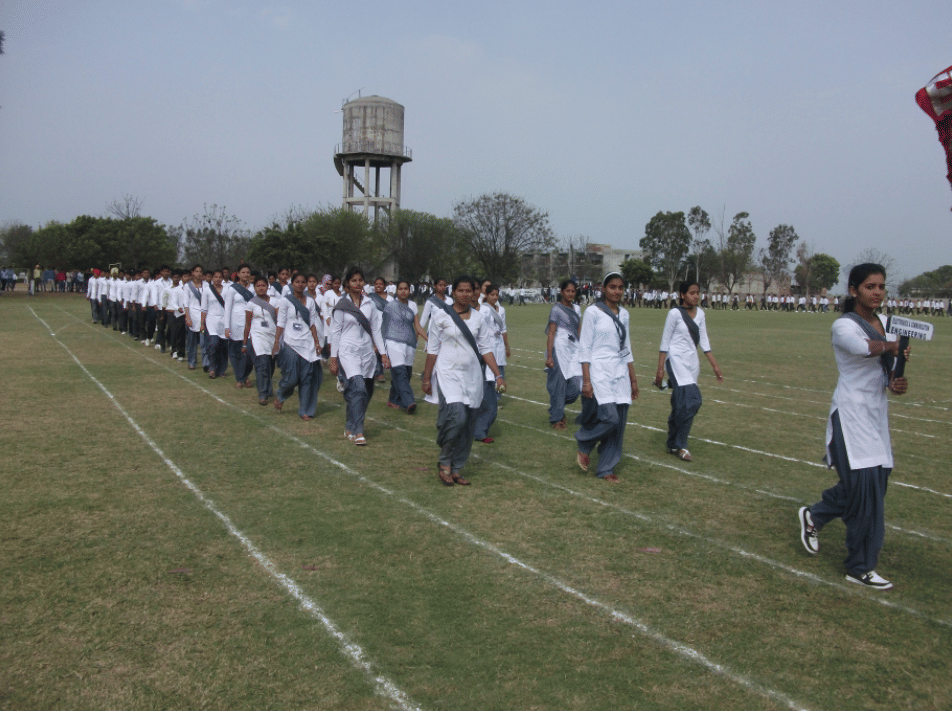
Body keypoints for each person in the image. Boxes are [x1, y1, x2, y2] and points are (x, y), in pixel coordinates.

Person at [798, 263, 910, 591]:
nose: (877, 292)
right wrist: (893, 345)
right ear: (853, 291)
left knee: (874, 486)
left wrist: (897, 382)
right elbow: (864, 348)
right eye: (869, 287)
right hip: (850, 415)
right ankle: (859, 566)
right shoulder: (843, 326)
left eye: (881, 287)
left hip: (876, 416)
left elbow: (889, 371)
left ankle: (815, 516)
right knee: (865, 489)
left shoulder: (888, 324)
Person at [422, 276, 505, 486]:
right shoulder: (441, 316)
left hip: (472, 375)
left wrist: (498, 374)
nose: (465, 294)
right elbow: (432, 350)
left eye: (469, 291)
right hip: (447, 372)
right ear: (453, 292)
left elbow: (486, 348)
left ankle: (456, 467)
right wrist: (426, 377)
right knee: (457, 416)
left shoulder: (478, 318)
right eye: (461, 290)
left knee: (468, 423)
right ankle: (444, 460)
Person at [575, 272, 639, 483]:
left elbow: (626, 348)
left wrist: (633, 378)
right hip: (599, 370)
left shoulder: (625, 314)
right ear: (603, 288)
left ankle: (605, 469)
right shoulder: (593, 312)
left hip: (620, 371)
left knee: (619, 423)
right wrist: (586, 380)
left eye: (620, 287)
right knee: (610, 417)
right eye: (612, 287)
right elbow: (584, 348)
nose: (617, 291)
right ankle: (584, 442)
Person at [653, 280, 723, 462]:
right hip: (675, 362)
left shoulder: (700, 314)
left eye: (697, 292)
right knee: (694, 400)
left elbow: (705, 341)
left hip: (692, 363)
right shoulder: (674, 314)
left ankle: (672, 442)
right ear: (683, 295)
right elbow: (665, 342)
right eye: (691, 292)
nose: (695, 296)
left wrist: (714, 365)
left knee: (681, 403)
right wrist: (660, 369)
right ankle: (681, 445)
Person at [329, 267, 389, 445]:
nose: (357, 284)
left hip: (367, 353)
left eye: (360, 280)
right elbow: (336, 333)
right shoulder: (342, 305)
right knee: (359, 387)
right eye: (354, 280)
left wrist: (383, 354)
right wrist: (334, 359)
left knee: (366, 392)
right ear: (347, 283)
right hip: (348, 352)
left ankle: (349, 425)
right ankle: (358, 431)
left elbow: (376, 330)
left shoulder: (370, 304)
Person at [273, 272, 323, 420]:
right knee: (292, 378)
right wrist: (276, 342)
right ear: (292, 284)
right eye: (297, 282)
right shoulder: (285, 301)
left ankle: (305, 410)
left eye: (303, 282)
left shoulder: (310, 302)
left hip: (307, 343)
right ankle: (281, 394)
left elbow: (313, 323)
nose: (300, 285)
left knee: (307, 378)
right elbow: (281, 323)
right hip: (290, 343)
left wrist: (317, 342)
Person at [545, 280, 583, 429]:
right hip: (559, 348)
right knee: (559, 384)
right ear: (562, 291)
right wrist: (549, 356)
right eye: (568, 291)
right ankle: (557, 418)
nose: (570, 294)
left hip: (574, 349)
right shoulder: (556, 309)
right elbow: (551, 333)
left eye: (573, 291)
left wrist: (584, 349)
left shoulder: (577, 309)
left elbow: (578, 329)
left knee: (576, 386)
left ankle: (556, 404)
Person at [474, 285, 509, 443]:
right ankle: (478, 432)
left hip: (493, 354)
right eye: (492, 294)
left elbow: (501, 330)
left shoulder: (493, 310)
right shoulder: (477, 311)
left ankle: (479, 431)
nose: (494, 297)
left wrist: (506, 346)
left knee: (491, 401)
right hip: (478, 358)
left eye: (497, 295)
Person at [384, 280, 424, 413]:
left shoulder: (412, 305)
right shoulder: (391, 306)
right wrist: (381, 347)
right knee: (400, 373)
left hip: (409, 343)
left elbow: (417, 326)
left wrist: (429, 339)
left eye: (406, 288)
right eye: (400, 289)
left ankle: (393, 399)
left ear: (409, 290)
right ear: (397, 291)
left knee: (406, 373)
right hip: (393, 342)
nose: (403, 291)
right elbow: (384, 326)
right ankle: (408, 402)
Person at [244, 275, 280, 404]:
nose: (260, 288)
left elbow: (280, 320)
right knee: (262, 364)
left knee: (270, 365)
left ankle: (268, 389)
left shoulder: (275, 301)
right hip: (258, 336)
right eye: (258, 286)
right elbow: (247, 324)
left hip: (272, 336)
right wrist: (244, 343)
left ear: (267, 287)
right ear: (254, 288)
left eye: (263, 285)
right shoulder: (251, 303)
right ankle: (262, 394)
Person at [200, 270, 229, 378]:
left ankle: (222, 370)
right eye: (215, 277)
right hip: (211, 320)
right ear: (212, 278)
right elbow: (203, 308)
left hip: (224, 320)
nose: (218, 279)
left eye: (220, 277)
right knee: (213, 344)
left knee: (223, 346)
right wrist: (202, 323)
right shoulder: (207, 290)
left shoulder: (227, 290)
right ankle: (212, 368)